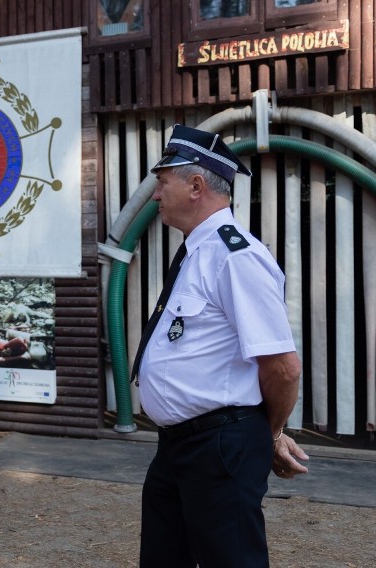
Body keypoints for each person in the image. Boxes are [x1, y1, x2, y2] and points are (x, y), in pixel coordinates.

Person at [133, 124, 309, 567]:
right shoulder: (198, 252)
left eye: (162, 180)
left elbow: (283, 368)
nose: (155, 194)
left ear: (195, 185)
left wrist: (269, 433)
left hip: (219, 447)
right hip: (176, 446)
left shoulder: (236, 256)